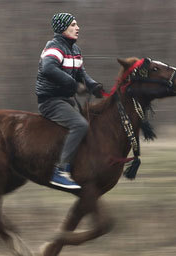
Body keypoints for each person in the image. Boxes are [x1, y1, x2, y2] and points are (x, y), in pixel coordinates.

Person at [35, 13, 103, 190]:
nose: (77, 27)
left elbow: (82, 74)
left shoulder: (75, 50)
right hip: (50, 101)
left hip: (66, 101)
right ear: (63, 28)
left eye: (77, 24)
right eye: (73, 24)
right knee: (80, 125)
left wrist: (95, 87)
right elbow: (48, 68)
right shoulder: (54, 47)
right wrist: (74, 85)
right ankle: (60, 171)